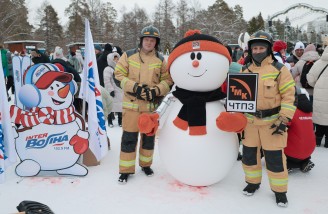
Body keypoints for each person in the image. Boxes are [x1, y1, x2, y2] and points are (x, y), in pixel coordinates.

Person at [241, 30, 296, 207]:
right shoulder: (245, 69)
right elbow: (240, 97)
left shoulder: (280, 70)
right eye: (254, 48)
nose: (258, 51)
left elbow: (289, 96)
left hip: (273, 123)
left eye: (261, 47)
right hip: (250, 123)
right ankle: (252, 183)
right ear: (250, 50)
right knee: (249, 156)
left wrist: (284, 119)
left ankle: (280, 192)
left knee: (275, 160)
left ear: (269, 49)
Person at [114, 25, 173, 184]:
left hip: (150, 108)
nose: (149, 42)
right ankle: (126, 170)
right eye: (146, 39)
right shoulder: (128, 55)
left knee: (148, 140)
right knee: (129, 140)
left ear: (156, 43)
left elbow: (168, 80)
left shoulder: (161, 60)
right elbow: (118, 76)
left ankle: (146, 165)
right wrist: (135, 88)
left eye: (152, 40)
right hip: (131, 107)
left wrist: (156, 91)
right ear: (141, 40)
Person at [285, 87, 315, 172]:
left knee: (277, 140)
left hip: (293, 152)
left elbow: (281, 129)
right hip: (309, 150)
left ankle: (287, 164)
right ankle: (305, 162)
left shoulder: (291, 111)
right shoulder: (309, 112)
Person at [307, 46, 328, 148]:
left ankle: (318, 140)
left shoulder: (318, 63)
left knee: (320, 119)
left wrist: (318, 85)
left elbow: (310, 79)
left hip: (320, 95)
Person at [104, 52, 122, 127]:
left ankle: (120, 121)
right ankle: (110, 121)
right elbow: (106, 80)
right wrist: (111, 89)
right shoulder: (108, 69)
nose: (116, 60)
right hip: (113, 90)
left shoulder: (120, 68)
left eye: (117, 58)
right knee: (111, 106)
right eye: (114, 59)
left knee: (121, 106)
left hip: (120, 90)